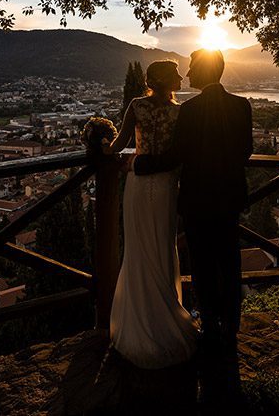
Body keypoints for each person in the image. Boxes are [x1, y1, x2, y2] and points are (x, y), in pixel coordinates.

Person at [133, 49, 253, 406]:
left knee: (202, 265)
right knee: (229, 262)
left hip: (199, 200)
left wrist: (146, 165)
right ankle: (231, 327)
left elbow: (178, 154)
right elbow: (245, 150)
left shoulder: (190, 110)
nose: (187, 71)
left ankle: (210, 327)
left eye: (191, 66)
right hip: (229, 199)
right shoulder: (242, 105)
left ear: (204, 69)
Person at [105, 60, 200, 369]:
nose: (180, 76)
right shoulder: (180, 112)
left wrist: (97, 139)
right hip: (165, 187)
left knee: (136, 251)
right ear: (163, 80)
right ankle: (165, 320)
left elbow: (118, 146)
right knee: (161, 248)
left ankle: (139, 324)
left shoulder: (136, 105)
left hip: (137, 183)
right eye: (174, 73)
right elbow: (182, 155)